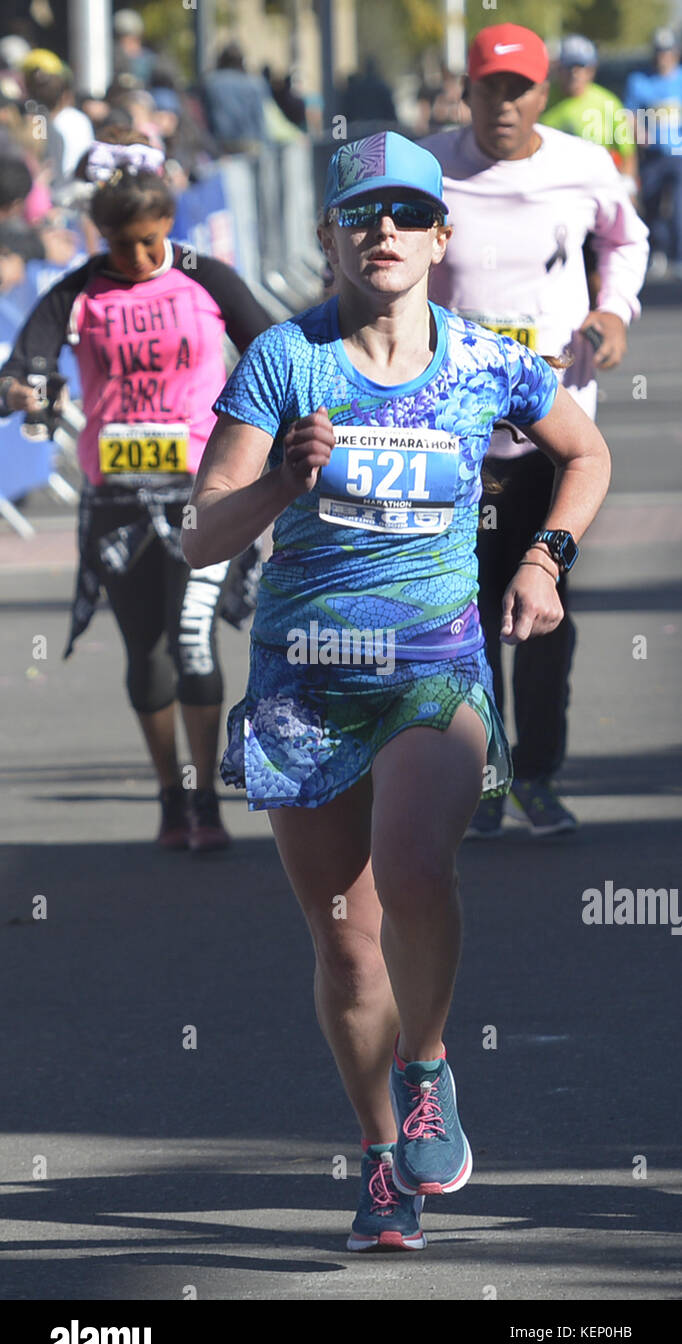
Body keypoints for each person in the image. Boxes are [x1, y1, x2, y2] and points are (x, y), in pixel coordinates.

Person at [183, 131, 611, 1249]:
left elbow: (585, 452)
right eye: (361, 213)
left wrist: (539, 560)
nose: (384, 231)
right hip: (305, 676)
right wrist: (282, 479)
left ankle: (427, 1068)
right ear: (330, 234)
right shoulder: (285, 361)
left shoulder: (482, 361)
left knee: (417, 867)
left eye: (407, 214)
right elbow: (196, 536)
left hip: (433, 663)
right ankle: (381, 1155)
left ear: (438, 235)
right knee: (344, 941)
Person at [0, 142, 272, 850]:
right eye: (123, 246)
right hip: (116, 499)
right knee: (146, 653)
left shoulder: (205, 277)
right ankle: (168, 796)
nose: (140, 258)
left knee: (193, 641)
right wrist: (23, 389)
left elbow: (275, 354)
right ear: (101, 236)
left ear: (170, 223)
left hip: (199, 495)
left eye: (151, 241)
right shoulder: (79, 288)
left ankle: (206, 800)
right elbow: (17, 369)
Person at [422, 23, 648, 836]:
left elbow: (628, 241)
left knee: (546, 605)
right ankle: (481, 769)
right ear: (468, 92)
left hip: (558, 431)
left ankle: (539, 774)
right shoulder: (427, 166)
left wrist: (611, 313)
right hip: (452, 436)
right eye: (489, 88)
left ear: (542, 92)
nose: (503, 103)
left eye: (518, 88)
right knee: (466, 612)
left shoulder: (582, 166)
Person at [624, 28, 682, 276]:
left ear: (676, 54)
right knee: (651, 202)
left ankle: (678, 255)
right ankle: (657, 251)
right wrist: (638, 132)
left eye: (668, 53)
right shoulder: (639, 81)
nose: (663, 58)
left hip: (679, 155)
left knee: (679, 206)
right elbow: (628, 113)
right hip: (653, 156)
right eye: (659, 53)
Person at [544, 35, 637, 183]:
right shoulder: (542, 99)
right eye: (569, 67)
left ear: (591, 70)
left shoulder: (609, 103)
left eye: (581, 67)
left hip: (595, 187)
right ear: (559, 68)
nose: (574, 74)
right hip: (551, 185)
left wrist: (628, 185)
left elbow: (627, 153)